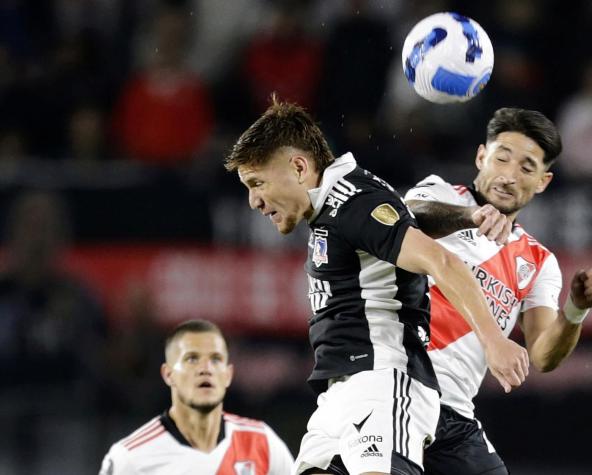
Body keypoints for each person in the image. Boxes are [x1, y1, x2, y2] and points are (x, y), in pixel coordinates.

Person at [224, 97, 528, 475]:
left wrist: (494, 340)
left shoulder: (355, 203)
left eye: (257, 183)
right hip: (340, 396)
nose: (253, 200)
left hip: (383, 382)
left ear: (299, 167)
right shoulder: (333, 208)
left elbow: (442, 261)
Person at [403, 107, 592, 474]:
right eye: (502, 158)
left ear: (543, 182)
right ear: (482, 157)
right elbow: (409, 215)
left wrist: (576, 309)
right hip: (398, 387)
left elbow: (544, 356)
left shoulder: (539, 262)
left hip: (454, 415)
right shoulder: (440, 194)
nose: (510, 175)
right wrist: (471, 217)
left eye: (527, 168)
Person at [98, 319, 295, 474]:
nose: (205, 369)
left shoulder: (263, 443)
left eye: (215, 359)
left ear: (228, 375)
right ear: (168, 374)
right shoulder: (131, 457)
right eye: (192, 359)